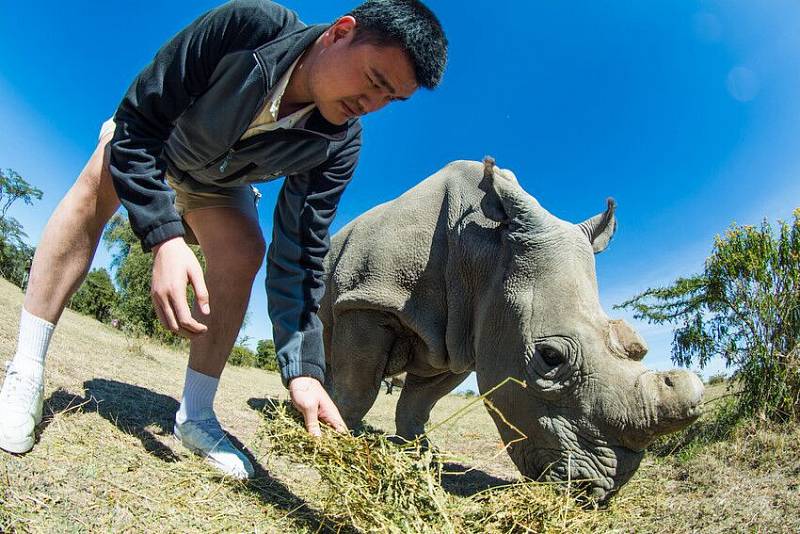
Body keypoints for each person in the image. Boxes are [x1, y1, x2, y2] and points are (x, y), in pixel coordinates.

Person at [0, 0, 447, 479]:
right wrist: (165, 237)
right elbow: (137, 129)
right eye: (375, 80)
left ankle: (195, 416)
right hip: (158, 142)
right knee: (101, 175)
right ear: (341, 32)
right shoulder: (248, 25)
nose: (371, 104)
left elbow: (301, 252)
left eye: (390, 99)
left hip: (219, 183)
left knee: (245, 251)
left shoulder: (340, 144)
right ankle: (26, 368)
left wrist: (304, 370)